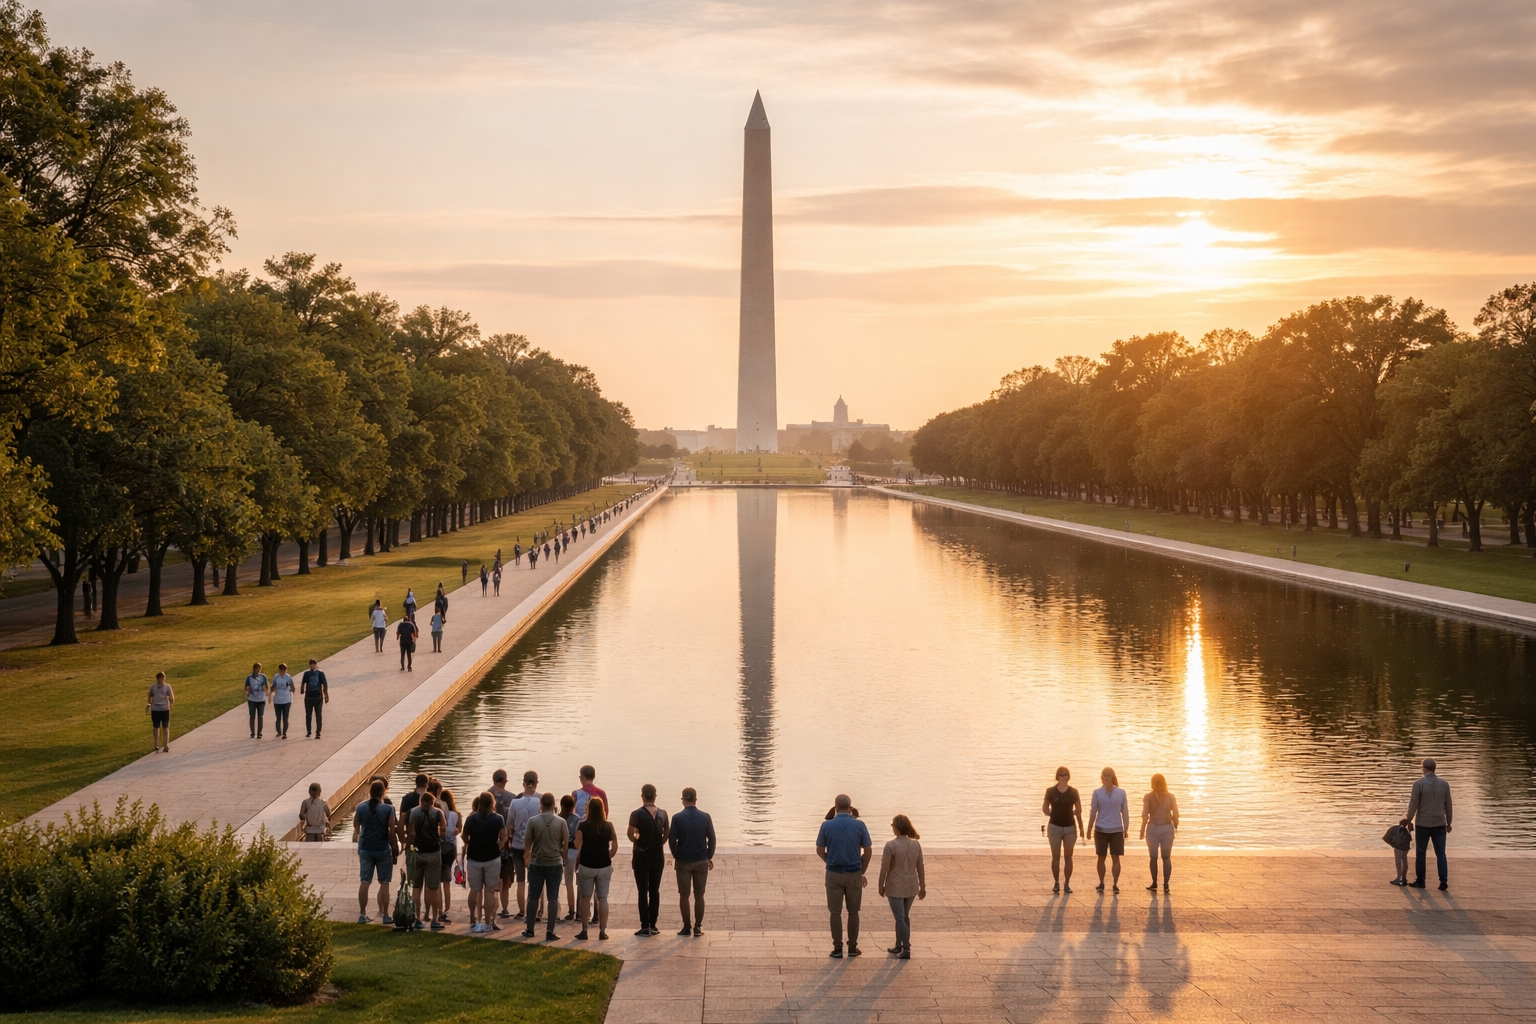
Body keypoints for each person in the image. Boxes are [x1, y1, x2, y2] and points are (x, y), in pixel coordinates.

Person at [816, 793, 873, 959]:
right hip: (854, 872)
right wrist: (862, 870)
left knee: (835, 912)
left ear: (835, 807)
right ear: (850, 807)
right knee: (853, 912)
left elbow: (819, 850)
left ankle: (837, 948)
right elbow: (868, 850)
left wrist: (830, 861)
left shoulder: (826, 825)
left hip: (833, 873)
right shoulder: (859, 824)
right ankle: (853, 947)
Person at [668, 787, 716, 936]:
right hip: (701, 859)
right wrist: (709, 855)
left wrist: (677, 855)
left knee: (684, 895)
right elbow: (712, 839)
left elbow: (671, 839)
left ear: (683, 800)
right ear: (695, 799)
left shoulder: (677, 818)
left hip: (684, 860)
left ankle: (686, 927)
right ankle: (698, 927)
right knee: (699, 895)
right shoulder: (706, 817)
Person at [877, 814, 925, 959]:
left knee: (900, 918)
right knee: (904, 916)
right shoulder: (916, 844)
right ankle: (899, 944)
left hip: (895, 885)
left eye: (893, 825)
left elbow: (884, 867)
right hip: (911, 885)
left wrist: (881, 885)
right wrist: (922, 886)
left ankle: (906, 949)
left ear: (897, 827)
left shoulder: (891, 845)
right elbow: (920, 867)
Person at [352, 778, 399, 925]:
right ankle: (385, 915)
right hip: (382, 848)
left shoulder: (361, 807)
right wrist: (394, 845)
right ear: (383, 792)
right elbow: (392, 831)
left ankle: (362, 913)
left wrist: (362, 835)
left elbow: (356, 826)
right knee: (384, 883)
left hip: (366, 847)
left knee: (365, 881)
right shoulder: (388, 809)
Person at [524, 792, 567, 941]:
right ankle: (550, 930)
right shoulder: (561, 822)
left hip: (537, 862)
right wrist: (564, 857)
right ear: (554, 805)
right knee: (553, 898)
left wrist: (527, 859)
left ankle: (530, 929)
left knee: (533, 896)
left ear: (540, 804)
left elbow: (528, 844)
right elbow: (565, 844)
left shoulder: (533, 821)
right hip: (555, 862)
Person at [627, 784, 670, 936]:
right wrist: (658, 844)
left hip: (641, 855)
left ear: (642, 796)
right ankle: (654, 924)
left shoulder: (636, 814)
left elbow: (630, 834)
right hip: (658, 856)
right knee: (654, 890)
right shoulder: (663, 814)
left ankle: (645, 925)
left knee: (642, 890)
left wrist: (638, 841)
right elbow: (666, 834)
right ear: (655, 796)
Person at [574, 796, 617, 940]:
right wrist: (608, 855)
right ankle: (602, 931)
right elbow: (614, 846)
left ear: (588, 809)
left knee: (585, 898)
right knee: (603, 898)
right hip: (604, 865)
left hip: (587, 865)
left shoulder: (582, 825)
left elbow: (577, 845)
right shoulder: (608, 825)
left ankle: (584, 930)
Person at [463, 792, 507, 933]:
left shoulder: (471, 819)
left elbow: (464, 836)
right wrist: (499, 846)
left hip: (474, 857)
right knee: (490, 891)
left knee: (474, 890)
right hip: (492, 858)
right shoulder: (498, 818)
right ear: (492, 802)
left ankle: (473, 918)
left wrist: (470, 843)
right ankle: (488, 921)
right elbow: (504, 837)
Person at [1407, 757, 1453, 890]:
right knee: (1441, 853)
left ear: (1423, 768)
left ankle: (1421, 881)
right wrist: (1449, 822)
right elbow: (1448, 805)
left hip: (1423, 823)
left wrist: (1408, 820)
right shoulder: (1444, 784)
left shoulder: (1419, 784)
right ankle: (1443, 881)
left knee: (1421, 853)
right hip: (1439, 822)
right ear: (1435, 768)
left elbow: (1413, 805)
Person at [407, 790, 446, 930]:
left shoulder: (414, 812)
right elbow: (443, 828)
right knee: (433, 888)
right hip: (433, 852)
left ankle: (416, 917)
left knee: (417, 887)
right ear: (433, 802)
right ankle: (434, 919)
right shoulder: (437, 813)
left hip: (418, 852)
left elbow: (410, 830)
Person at [1088, 767, 1129, 894]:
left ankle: (1115, 884)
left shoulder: (1121, 792)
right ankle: (1101, 882)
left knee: (1115, 858)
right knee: (1101, 857)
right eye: (1105, 775)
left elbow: (1125, 812)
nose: (1107, 778)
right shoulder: (1097, 793)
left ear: (1113, 777)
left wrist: (1126, 828)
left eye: (1109, 775)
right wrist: (1089, 829)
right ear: (1102, 778)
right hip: (1101, 829)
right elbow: (1093, 812)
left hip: (1116, 829)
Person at [507, 771, 542, 921]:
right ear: (536, 783)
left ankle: (521, 911)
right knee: (536, 881)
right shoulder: (541, 800)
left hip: (517, 845)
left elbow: (509, 825)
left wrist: (509, 839)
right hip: (535, 847)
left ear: (524, 783)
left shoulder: (515, 802)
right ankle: (537, 910)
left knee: (520, 880)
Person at [1043, 767, 1083, 894]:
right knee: (1055, 857)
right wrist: (1053, 814)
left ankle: (1067, 883)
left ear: (1068, 776)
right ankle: (1056, 883)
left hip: (1070, 828)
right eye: (1061, 774)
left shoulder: (1074, 792)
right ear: (1057, 776)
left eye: (1065, 774)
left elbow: (1078, 811)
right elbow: (1044, 809)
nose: (1063, 776)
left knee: (1068, 857)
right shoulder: (1050, 791)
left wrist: (1081, 827)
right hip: (1054, 827)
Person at [1139, 774, 1180, 892]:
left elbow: (1145, 816)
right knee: (1160, 857)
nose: (1156, 784)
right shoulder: (1169, 797)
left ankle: (1160, 883)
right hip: (1163, 828)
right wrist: (1175, 823)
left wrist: (1142, 830)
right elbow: (1176, 814)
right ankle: (1162, 884)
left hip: (1156, 829)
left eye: (1157, 782)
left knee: (1160, 857)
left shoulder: (1149, 797)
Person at [438, 788, 461, 922]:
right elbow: (459, 830)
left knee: (438, 881)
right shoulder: (456, 814)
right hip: (451, 848)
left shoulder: (439, 813)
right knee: (447, 880)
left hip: (440, 847)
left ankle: (440, 908)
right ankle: (447, 906)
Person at [560, 794, 581, 921]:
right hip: (573, 852)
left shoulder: (557, 819)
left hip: (558, 851)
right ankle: (573, 909)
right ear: (573, 806)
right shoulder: (577, 819)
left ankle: (569, 909)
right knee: (571, 882)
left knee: (561, 882)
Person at [300, 659, 328, 739]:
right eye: (311, 664)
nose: (313, 666)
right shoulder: (307, 673)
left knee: (318, 715)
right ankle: (308, 731)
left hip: (318, 697)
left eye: (314, 664)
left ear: (316, 664)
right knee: (308, 715)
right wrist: (302, 689)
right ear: (310, 665)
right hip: (308, 697)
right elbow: (303, 682)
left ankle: (318, 732)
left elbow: (324, 684)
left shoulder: (320, 673)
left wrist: (326, 694)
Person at [148, 671, 174, 753]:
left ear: (163, 678)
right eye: (158, 680)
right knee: (156, 727)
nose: (159, 681)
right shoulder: (153, 687)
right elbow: (150, 696)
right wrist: (149, 704)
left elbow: (171, 697)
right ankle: (156, 745)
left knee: (165, 727)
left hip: (165, 709)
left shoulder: (167, 687)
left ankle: (166, 745)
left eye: (160, 680)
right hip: (155, 709)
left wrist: (171, 704)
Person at [244, 662, 269, 739]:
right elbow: (246, 688)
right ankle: (252, 733)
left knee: (260, 716)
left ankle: (259, 733)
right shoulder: (249, 677)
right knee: (252, 716)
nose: (258, 670)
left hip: (261, 699)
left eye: (259, 668)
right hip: (252, 699)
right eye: (256, 668)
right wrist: (248, 692)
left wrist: (265, 689)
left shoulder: (263, 677)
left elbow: (266, 687)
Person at [1386, 817, 1413, 886]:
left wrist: (1392, 843)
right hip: (1405, 847)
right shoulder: (1407, 830)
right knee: (1405, 862)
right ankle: (1404, 878)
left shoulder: (1396, 828)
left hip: (1398, 847)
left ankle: (1398, 878)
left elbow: (1386, 837)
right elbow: (1410, 839)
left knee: (1398, 862)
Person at [270, 662, 295, 739]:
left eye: (284, 671)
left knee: (285, 717)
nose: (283, 672)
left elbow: (293, 688)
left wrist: (290, 691)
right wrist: (273, 688)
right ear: (279, 670)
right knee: (278, 717)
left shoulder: (288, 677)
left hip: (286, 700)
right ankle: (278, 732)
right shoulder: (276, 677)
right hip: (277, 700)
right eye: (281, 671)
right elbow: (272, 687)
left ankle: (284, 733)